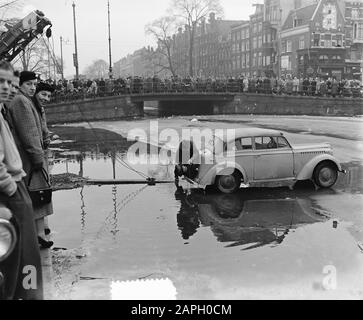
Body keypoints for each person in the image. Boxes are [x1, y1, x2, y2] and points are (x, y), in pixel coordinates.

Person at [0, 61, 43, 299]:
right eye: (2, 82)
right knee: (24, 256)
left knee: (25, 256)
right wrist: (10, 187)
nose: (8, 88)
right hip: (12, 190)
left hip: (15, 185)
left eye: (10, 83)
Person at [8, 71, 53, 249]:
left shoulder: (23, 100)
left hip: (24, 154)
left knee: (33, 194)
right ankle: (39, 235)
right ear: (20, 84)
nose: (33, 88)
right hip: (28, 156)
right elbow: (30, 133)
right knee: (37, 192)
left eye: (35, 84)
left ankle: (38, 232)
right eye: (29, 84)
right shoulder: (21, 101)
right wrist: (37, 157)